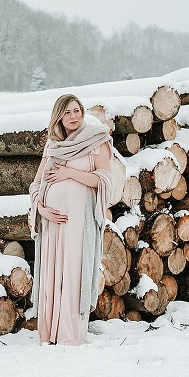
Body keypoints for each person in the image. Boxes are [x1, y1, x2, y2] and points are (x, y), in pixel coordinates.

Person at [28, 94, 113, 345]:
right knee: (52, 275)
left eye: (77, 110)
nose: (73, 116)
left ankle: (69, 334)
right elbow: (36, 184)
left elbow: (104, 180)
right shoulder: (53, 145)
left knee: (73, 271)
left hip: (79, 221)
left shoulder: (96, 139)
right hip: (52, 222)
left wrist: (69, 173)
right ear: (58, 117)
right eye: (67, 112)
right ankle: (49, 334)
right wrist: (41, 209)